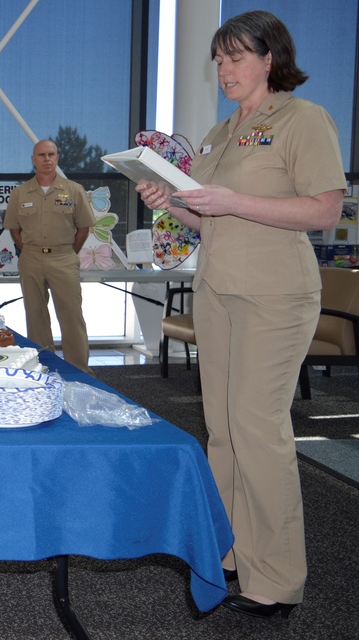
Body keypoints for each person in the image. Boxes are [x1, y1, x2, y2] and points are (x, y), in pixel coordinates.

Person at [137, 11, 346, 619]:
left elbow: (323, 211)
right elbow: (214, 220)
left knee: (258, 429)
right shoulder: (218, 133)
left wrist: (232, 198)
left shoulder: (303, 120)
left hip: (275, 294)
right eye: (219, 59)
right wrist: (172, 204)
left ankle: (277, 579)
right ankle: (230, 551)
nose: (224, 69)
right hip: (220, 288)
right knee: (222, 429)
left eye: (235, 57)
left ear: (270, 58)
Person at [5, 139, 96, 373]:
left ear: (57, 158)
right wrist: (27, 249)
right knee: (35, 316)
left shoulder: (74, 190)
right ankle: (42, 366)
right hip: (31, 258)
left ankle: (79, 369)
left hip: (63, 258)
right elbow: (14, 229)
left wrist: (69, 252)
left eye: (51, 154)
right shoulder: (20, 192)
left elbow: (83, 228)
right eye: (42, 155)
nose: (47, 159)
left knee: (71, 316)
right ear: (33, 160)